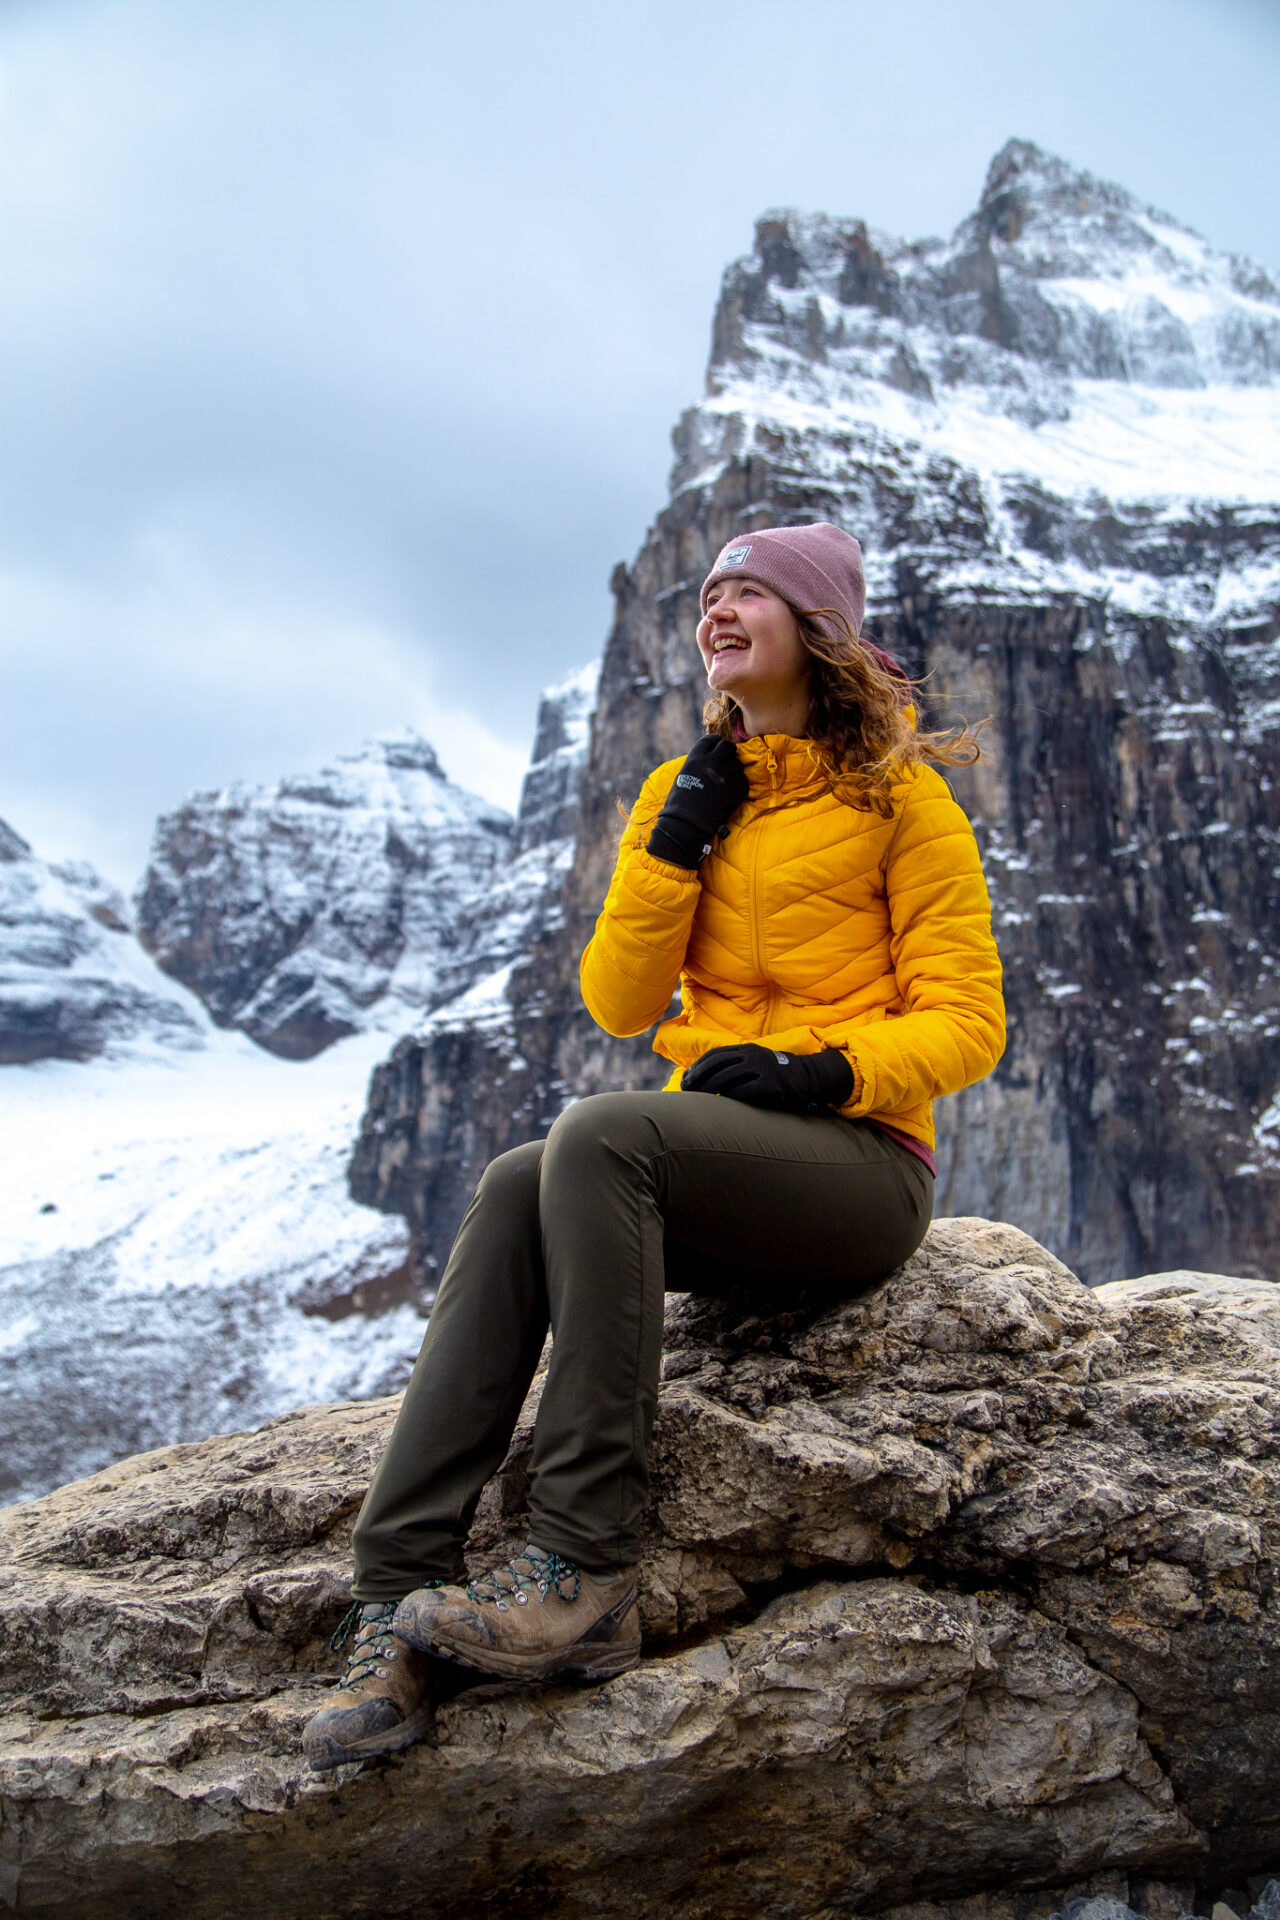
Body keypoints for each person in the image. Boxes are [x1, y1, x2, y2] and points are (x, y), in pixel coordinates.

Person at [302, 520, 1004, 1771]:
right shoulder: (682, 795)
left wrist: (821, 1072)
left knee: (601, 1133)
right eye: (708, 596)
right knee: (521, 1179)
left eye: (748, 593)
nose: (715, 612)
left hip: (859, 1173)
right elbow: (620, 1002)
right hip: (722, 1166)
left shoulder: (899, 796)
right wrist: (676, 838)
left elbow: (968, 1021)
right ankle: (393, 1603)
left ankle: (581, 1567)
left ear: (815, 628)